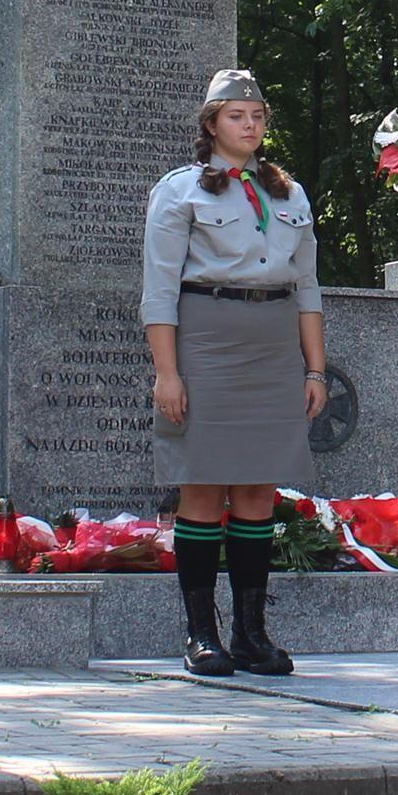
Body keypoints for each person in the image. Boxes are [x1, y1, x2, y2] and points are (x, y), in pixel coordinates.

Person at [143, 69, 327, 680]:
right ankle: (201, 634)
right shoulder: (180, 191)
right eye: (236, 117)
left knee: (255, 492)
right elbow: (160, 290)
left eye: (257, 117)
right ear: (211, 124)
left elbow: (307, 289)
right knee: (202, 485)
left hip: (273, 344)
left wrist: (316, 370)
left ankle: (251, 633)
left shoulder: (289, 194)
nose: (250, 126)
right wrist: (168, 374)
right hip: (207, 338)